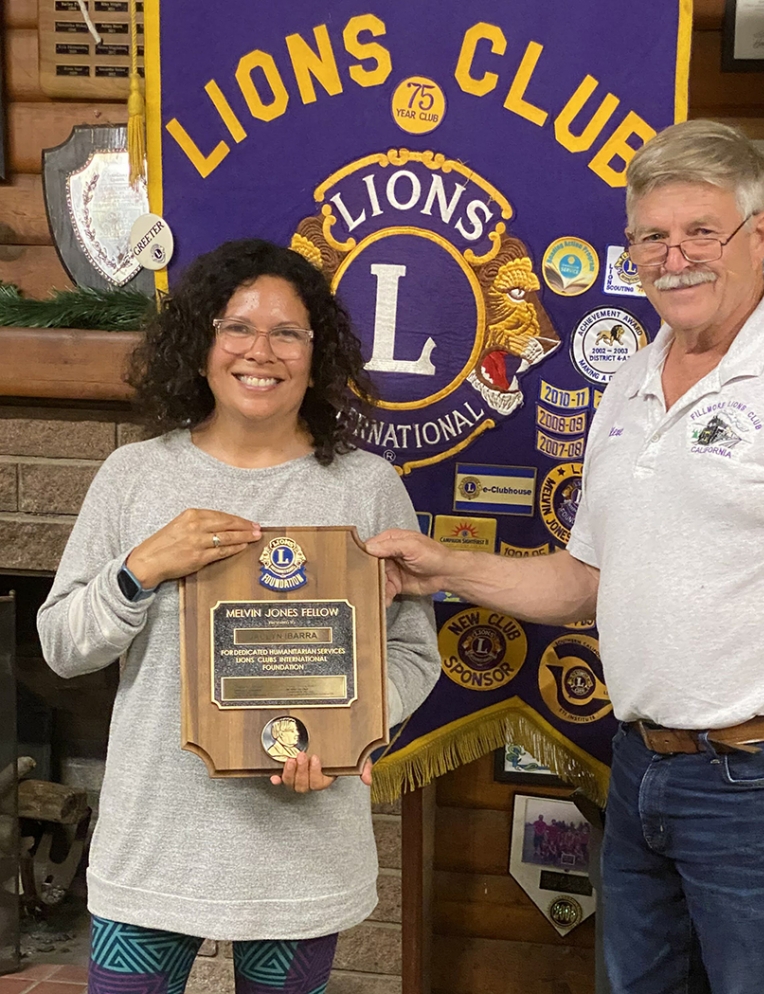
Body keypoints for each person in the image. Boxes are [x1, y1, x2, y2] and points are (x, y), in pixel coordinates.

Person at [366, 121, 764, 993]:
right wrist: (443, 567)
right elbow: (584, 585)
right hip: (639, 768)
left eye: (700, 233)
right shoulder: (629, 381)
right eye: (652, 236)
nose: (674, 256)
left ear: (759, 235)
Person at [37, 239, 439, 994]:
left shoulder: (367, 486)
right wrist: (141, 569)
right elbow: (62, 645)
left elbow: (415, 653)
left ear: (317, 354)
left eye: (288, 332)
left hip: (303, 839)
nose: (263, 351)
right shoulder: (135, 476)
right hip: (156, 840)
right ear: (200, 344)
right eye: (237, 327)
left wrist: (345, 733)